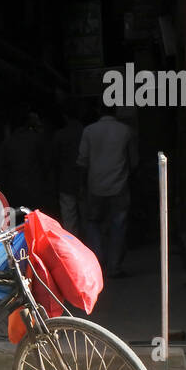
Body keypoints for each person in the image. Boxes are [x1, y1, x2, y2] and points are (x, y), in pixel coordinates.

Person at [77, 103, 137, 278]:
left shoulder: (89, 131)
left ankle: (97, 261)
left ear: (99, 111)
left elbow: (82, 161)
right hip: (119, 186)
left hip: (95, 186)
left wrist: (82, 186)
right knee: (118, 225)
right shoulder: (126, 131)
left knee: (92, 223)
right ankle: (114, 266)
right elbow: (133, 161)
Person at [0, 107, 53, 214]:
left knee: (17, 223)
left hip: (14, 190)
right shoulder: (37, 139)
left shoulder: (7, 143)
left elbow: (2, 169)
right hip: (35, 189)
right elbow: (46, 163)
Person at [51, 103, 88, 237]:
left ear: (65, 117)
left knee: (69, 220)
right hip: (87, 179)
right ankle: (91, 248)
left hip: (66, 180)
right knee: (87, 219)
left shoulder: (60, 135)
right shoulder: (86, 132)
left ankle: (73, 249)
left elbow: (54, 160)